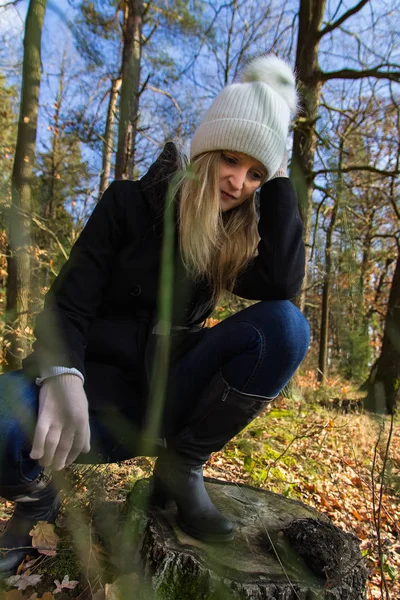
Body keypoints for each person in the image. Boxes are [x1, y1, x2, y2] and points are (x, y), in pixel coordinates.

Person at [0, 54, 309, 574]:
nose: (238, 182)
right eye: (231, 160)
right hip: (89, 401)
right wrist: (61, 376)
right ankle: (36, 499)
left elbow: (282, 285)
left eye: (255, 173)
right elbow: (69, 302)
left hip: (168, 402)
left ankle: (180, 465)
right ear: (206, 151)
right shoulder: (128, 204)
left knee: (285, 325)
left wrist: (279, 180)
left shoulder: (230, 243)